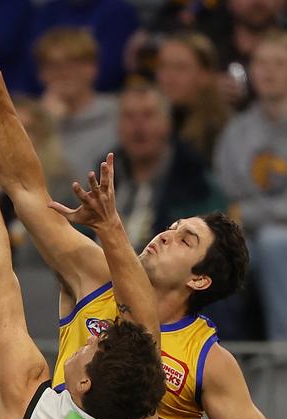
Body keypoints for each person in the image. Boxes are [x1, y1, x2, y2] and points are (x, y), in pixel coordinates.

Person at [0, 5, 284, 419]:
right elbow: (27, 190)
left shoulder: (208, 357)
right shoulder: (96, 274)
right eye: (172, 226)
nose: (165, 234)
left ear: (199, 278)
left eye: (184, 239)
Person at [0, 71, 165, 419]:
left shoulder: (27, 400)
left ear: (85, 381)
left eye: (93, 346)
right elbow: (145, 338)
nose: (88, 338)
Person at [214, 31, 287, 340]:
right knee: (217, 255)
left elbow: (244, 208)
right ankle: (223, 357)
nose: (268, 71)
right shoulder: (236, 130)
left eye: (279, 63)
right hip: (249, 236)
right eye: (260, 63)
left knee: (274, 243)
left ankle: (281, 357)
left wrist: (254, 212)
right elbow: (229, 199)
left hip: (271, 236)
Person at [111, 83, 225, 251]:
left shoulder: (195, 181)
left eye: (148, 115)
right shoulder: (103, 174)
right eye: (129, 116)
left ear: (167, 124)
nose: (138, 126)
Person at [33, 28, 118, 180]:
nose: (64, 73)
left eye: (73, 63)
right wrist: (46, 124)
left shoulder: (118, 115)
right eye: (54, 65)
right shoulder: (30, 121)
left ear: (93, 68)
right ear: (41, 73)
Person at [156, 32, 230, 164]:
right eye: (163, 66)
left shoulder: (222, 132)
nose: (169, 77)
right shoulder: (153, 125)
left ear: (205, 74)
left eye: (180, 68)